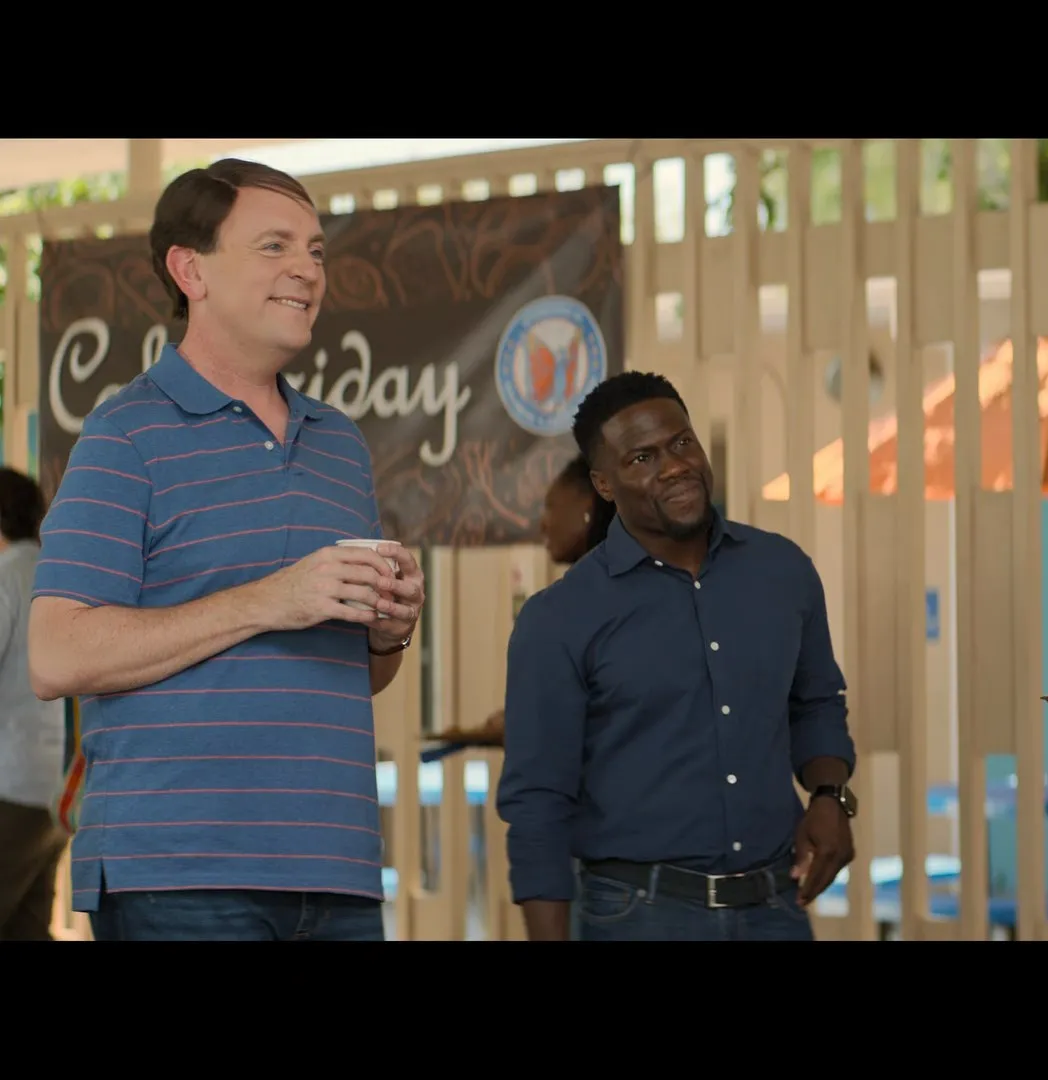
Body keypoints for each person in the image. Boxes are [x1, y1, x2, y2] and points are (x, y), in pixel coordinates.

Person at [27, 158, 424, 942]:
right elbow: (56, 655)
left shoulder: (340, 444)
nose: (307, 270)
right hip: (177, 874)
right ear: (191, 270)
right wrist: (272, 599)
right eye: (275, 246)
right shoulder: (124, 434)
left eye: (315, 251)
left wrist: (389, 634)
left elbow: (358, 676)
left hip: (336, 870)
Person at [496, 371, 858, 941]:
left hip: (776, 906)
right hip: (639, 915)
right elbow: (537, 802)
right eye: (641, 458)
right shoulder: (560, 618)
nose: (674, 467)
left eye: (681, 442)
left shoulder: (782, 571)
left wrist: (829, 795)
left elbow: (816, 702)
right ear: (604, 485)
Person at [452, 455, 614, 747]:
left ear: (587, 507)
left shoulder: (585, 605)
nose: (543, 525)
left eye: (550, 507)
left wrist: (526, 721)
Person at [0, 469, 68, 940]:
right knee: (29, 926)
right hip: (56, 790)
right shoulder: (55, 573)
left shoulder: (7, 577)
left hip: (9, 786)